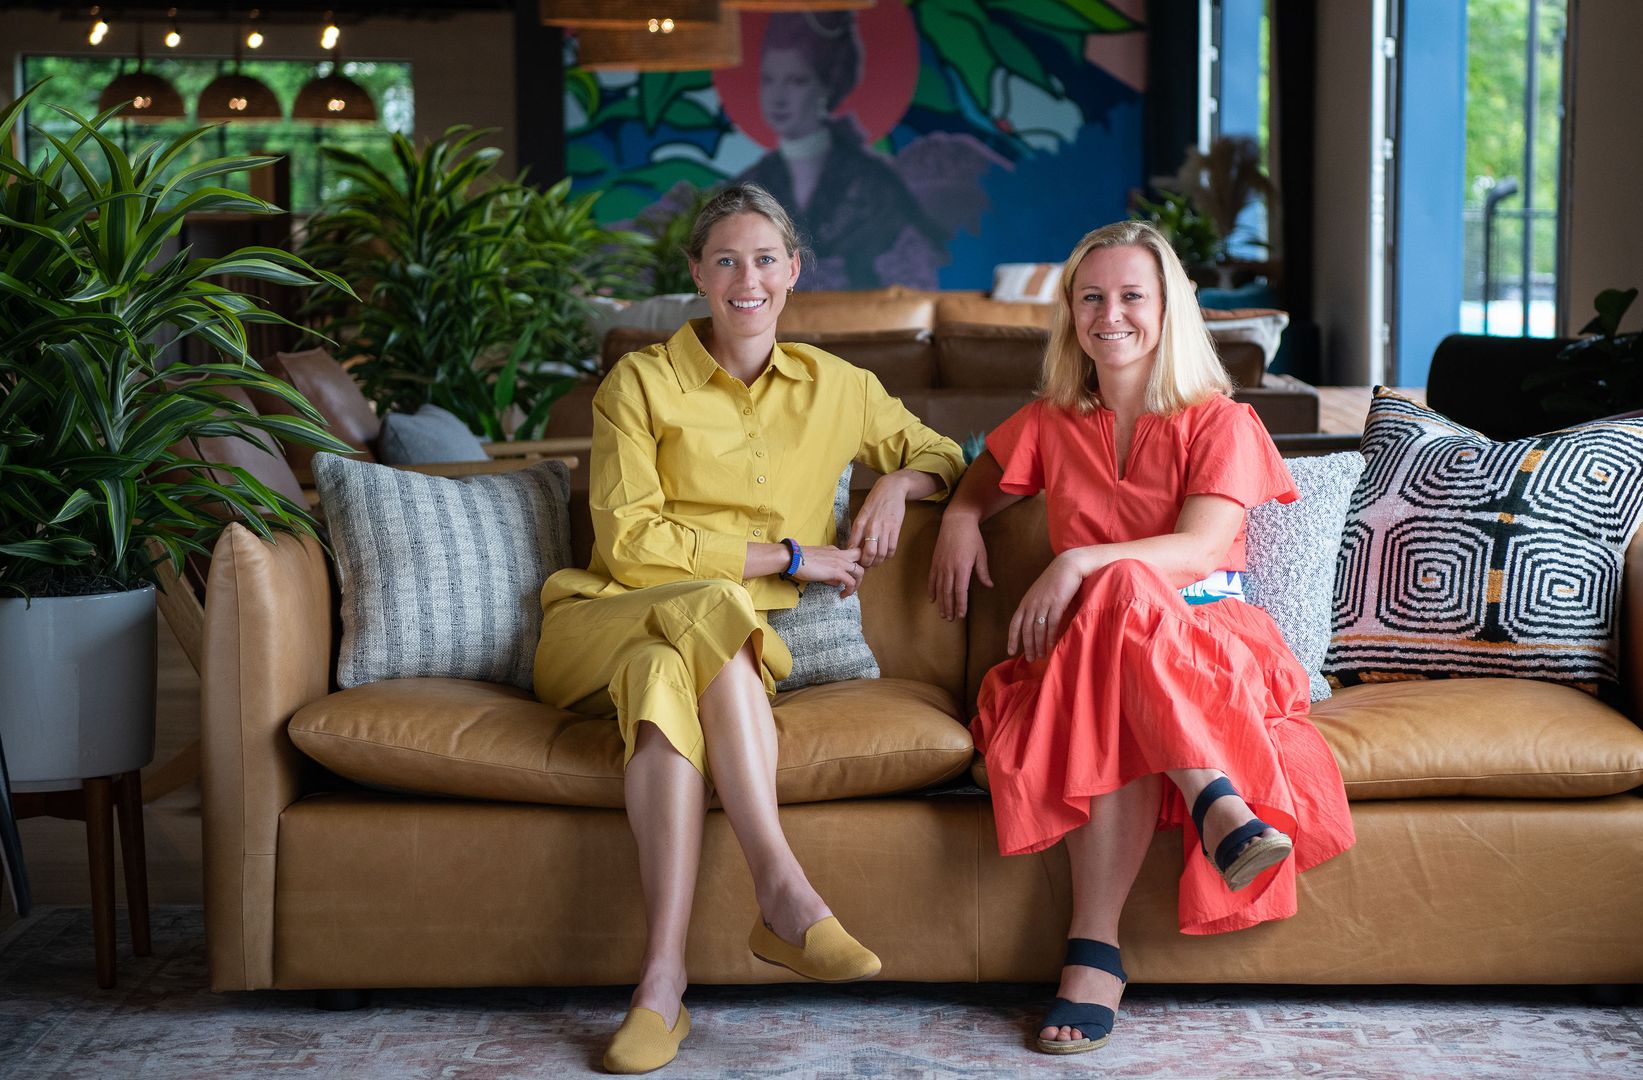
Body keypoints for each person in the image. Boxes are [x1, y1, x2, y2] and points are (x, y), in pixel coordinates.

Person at [534, 183, 965, 1074]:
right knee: (707, 610)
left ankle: (660, 986)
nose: (747, 278)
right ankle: (782, 887)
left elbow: (944, 455)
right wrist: (789, 559)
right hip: (602, 622)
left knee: (669, 677)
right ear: (696, 273)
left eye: (765, 259)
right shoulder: (639, 383)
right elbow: (629, 540)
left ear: (793, 271)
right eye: (725, 260)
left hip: (719, 656)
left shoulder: (839, 386)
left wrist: (894, 485)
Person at [928, 221, 1356, 1055]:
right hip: (1087, 658)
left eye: (1132, 295)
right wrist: (960, 513)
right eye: (1092, 296)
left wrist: (1081, 561)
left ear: (1169, 310)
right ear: (1071, 314)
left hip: (1209, 645)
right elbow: (981, 474)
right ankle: (1217, 806)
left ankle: (1094, 952)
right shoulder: (1052, 421)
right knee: (1112, 629)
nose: (1109, 313)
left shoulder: (1220, 421)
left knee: (1123, 587)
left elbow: (1199, 549)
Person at [737, 10, 944, 289]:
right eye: (769, 79)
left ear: (826, 86)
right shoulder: (749, 184)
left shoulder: (873, 183)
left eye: (797, 81)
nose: (779, 96)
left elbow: (916, 268)